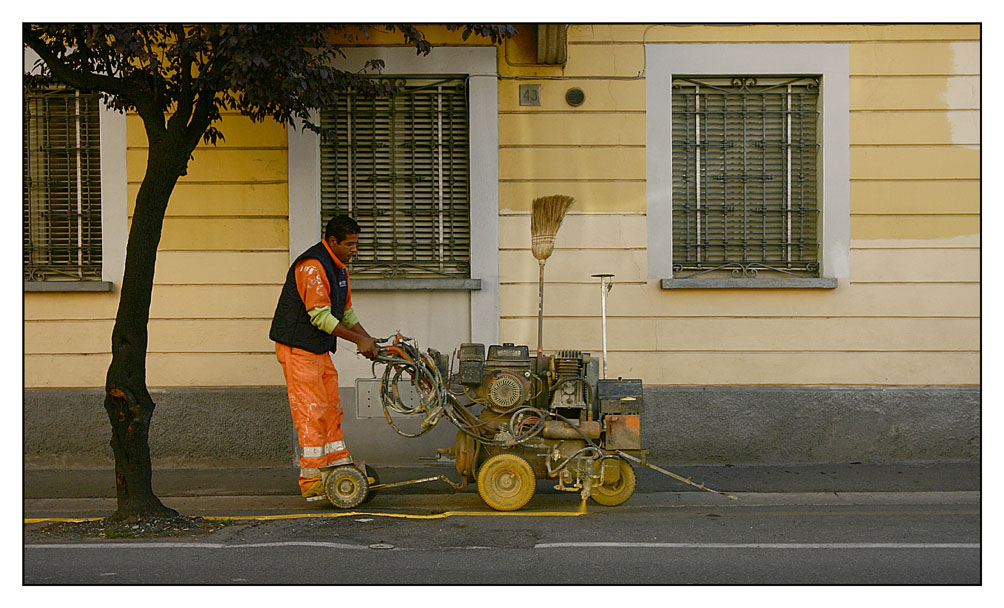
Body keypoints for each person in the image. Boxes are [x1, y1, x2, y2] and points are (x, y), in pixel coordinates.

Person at [269, 215, 379, 499]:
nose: (355, 249)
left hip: (316, 349)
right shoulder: (312, 267)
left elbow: (347, 313)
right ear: (332, 242)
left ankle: (338, 466)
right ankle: (313, 480)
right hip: (298, 349)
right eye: (350, 244)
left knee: (331, 407)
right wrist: (359, 341)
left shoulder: (339, 269)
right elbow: (320, 316)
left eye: (356, 244)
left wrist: (369, 340)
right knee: (311, 411)